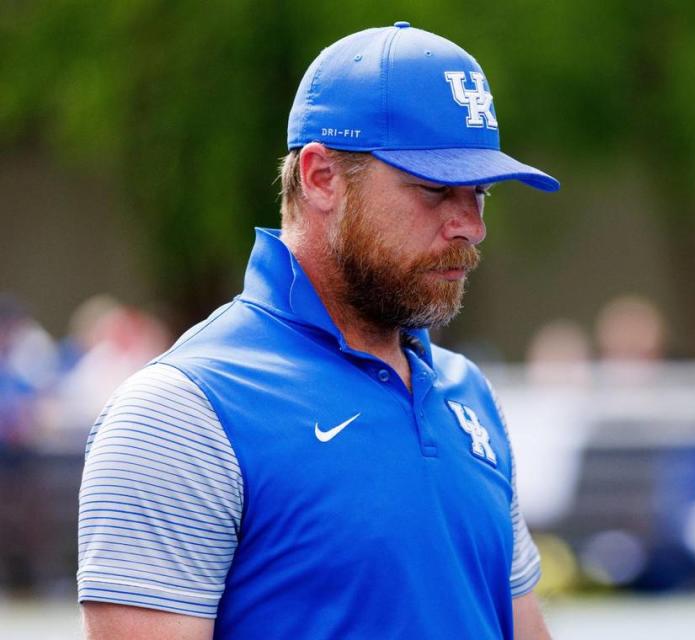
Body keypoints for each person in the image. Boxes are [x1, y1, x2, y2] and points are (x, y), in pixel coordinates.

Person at [78, 23, 558, 640]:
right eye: (437, 189)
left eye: (480, 193)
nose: (470, 225)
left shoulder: (467, 394)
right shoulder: (183, 413)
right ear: (321, 177)